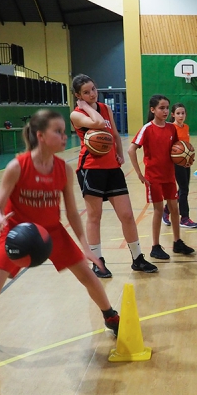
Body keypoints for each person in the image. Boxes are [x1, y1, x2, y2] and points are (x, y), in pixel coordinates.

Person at [0, 110, 120, 359]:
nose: (64, 136)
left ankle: (111, 316)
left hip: (52, 232)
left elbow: (71, 212)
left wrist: (85, 246)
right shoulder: (17, 166)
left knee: (89, 276)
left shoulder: (64, 170)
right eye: (57, 131)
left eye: (64, 130)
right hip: (17, 232)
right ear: (41, 136)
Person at [70, 74, 157, 277]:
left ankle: (137, 258)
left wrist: (118, 151)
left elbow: (115, 134)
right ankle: (97, 262)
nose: (92, 94)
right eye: (86, 92)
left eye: (93, 89)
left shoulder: (105, 108)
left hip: (112, 168)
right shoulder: (77, 114)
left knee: (127, 215)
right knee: (95, 216)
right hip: (90, 168)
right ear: (78, 95)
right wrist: (87, 106)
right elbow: (99, 123)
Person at [128, 94, 195, 260]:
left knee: (174, 208)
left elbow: (177, 149)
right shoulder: (147, 129)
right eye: (162, 108)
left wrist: (186, 157)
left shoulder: (172, 128)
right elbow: (131, 150)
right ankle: (155, 246)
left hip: (169, 175)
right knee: (158, 210)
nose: (165, 111)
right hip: (154, 177)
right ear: (153, 110)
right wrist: (139, 173)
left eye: (167, 108)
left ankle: (177, 242)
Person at [161, 103, 197, 229]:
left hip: (185, 162)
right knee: (184, 189)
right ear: (173, 115)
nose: (181, 115)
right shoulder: (170, 128)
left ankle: (166, 210)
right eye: (178, 113)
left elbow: (186, 146)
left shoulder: (186, 127)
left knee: (184, 189)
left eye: (183, 113)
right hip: (175, 163)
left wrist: (190, 156)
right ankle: (184, 218)